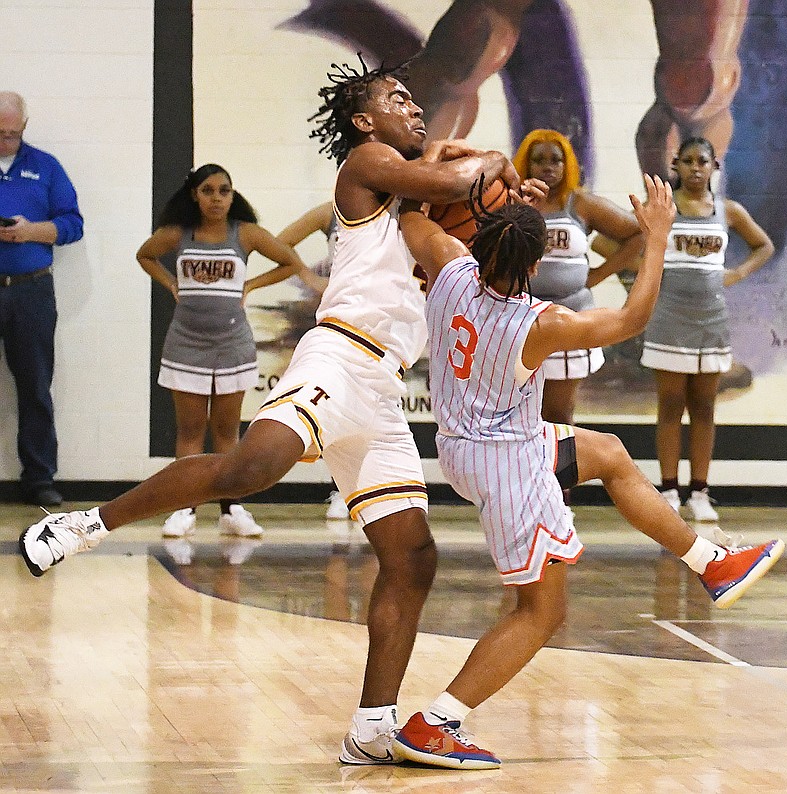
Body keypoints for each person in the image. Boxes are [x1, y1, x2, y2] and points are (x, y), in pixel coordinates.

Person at [18, 57, 526, 765]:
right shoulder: (366, 164)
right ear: (361, 120)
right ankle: (84, 523)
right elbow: (451, 178)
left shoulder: (417, 206)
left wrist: (508, 206)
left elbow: (462, 200)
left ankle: (373, 729)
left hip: (380, 391)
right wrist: (496, 159)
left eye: (414, 99)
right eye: (396, 97)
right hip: (338, 356)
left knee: (411, 558)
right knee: (249, 468)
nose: (413, 106)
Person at [388, 173, 783, 769]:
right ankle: (435, 721)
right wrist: (657, 236)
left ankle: (713, 564)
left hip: (467, 444)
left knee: (608, 453)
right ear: (538, 261)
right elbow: (631, 318)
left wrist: (466, 184)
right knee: (541, 613)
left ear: (478, 240)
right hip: (508, 464)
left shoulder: (447, 268)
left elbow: (412, 216)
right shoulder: (539, 324)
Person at [138, 163, 310, 538]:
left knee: (227, 431)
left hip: (232, 344)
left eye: (224, 191)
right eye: (208, 191)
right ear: (194, 195)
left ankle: (232, 509)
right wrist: (170, 282)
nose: (217, 198)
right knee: (190, 430)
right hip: (185, 343)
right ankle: (185, 508)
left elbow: (290, 262)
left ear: (233, 195)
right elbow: (145, 255)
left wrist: (250, 285)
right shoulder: (177, 233)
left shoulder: (245, 234)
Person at [639, 137, 774, 520]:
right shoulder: (662, 209)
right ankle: (668, 489)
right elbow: (625, 241)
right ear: (675, 166)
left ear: (715, 167)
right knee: (669, 405)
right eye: (688, 161)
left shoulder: (726, 210)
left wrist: (738, 274)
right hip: (669, 318)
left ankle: (699, 492)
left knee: (704, 407)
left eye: (703, 161)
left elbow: (763, 245)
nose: (696, 168)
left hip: (711, 321)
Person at [511, 129, 643, 430]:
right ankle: (526, 476)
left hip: (571, 318)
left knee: (559, 415)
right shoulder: (515, 202)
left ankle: (559, 478)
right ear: (526, 164)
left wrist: (597, 275)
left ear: (567, 164)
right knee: (522, 416)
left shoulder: (580, 203)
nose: (547, 167)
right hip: (522, 319)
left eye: (556, 160)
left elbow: (636, 233)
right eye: (539, 160)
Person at [0, 91, 83, 507]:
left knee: (34, 384)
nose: (5, 142)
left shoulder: (46, 167)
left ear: (24, 128)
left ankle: (39, 478)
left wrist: (32, 231)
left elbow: (72, 224)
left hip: (31, 288)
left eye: (12, 135)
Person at [275, 200, 349, 520]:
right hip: (335, 319)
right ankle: (340, 488)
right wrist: (310, 278)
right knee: (335, 406)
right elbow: (280, 243)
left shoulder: (400, 212)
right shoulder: (331, 211)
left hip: (380, 322)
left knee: (373, 409)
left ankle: (367, 488)